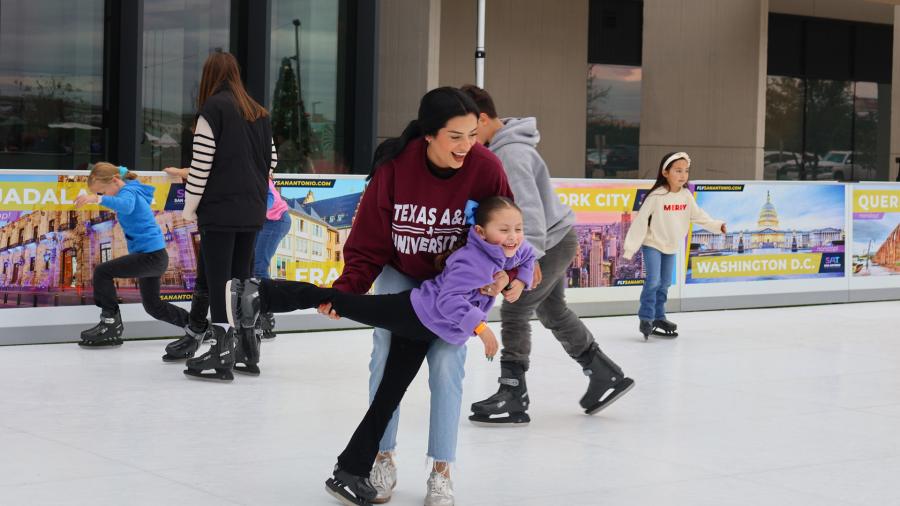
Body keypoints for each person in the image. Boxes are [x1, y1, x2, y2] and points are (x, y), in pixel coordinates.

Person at [227, 197, 534, 506]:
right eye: (505, 229)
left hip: (426, 332)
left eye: (518, 229)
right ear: (481, 233)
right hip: (412, 313)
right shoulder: (473, 261)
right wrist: (481, 329)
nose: (513, 236)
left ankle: (350, 469)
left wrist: (517, 278)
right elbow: (448, 302)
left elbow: (529, 254)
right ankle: (259, 294)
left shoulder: (508, 251)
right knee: (340, 301)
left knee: (388, 398)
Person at [317, 87, 515, 505]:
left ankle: (442, 469)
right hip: (401, 272)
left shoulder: (487, 169)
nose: (466, 146)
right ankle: (382, 457)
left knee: (446, 363)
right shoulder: (395, 168)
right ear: (429, 134)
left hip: (456, 285)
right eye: (455, 136)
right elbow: (369, 243)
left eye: (472, 135)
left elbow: (506, 230)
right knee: (385, 352)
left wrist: (508, 276)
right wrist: (347, 292)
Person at [460, 85, 635, 424]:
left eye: (469, 129)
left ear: (481, 119)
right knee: (553, 310)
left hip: (547, 243)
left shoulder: (510, 154)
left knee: (516, 307)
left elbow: (530, 214)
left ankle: (513, 392)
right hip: (556, 239)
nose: (466, 140)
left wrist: (525, 262)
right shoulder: (505, 148)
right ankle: (604, 373)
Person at [175, 51, 277, 381]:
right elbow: (272, 162)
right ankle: (249, 348)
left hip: (220, 208)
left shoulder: (212, 110)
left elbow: (201, 167)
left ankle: (220, 352)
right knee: (243, 279)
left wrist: (189, 208)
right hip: (252, 208)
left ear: (209, 77)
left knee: (220, 281)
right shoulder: (259, 112)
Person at [74, 163, 193, 348]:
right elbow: (121, 173)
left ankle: (110, 324)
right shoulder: (130, 185)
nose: (105, 195)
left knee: (102, 272)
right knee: (153, 307)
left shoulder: (129, 193)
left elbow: (126, 206)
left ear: (114, 181)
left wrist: (95, 199)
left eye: (104, 191)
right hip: (151, 256)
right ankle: (199, 327)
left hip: (151, 256)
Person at [623, 151, 727, 339]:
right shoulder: (656, 196)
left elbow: (699, 216)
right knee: (653, 281)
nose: (683, 175)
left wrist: (717, 225)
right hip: (653, 243)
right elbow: (639, 222)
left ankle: (659, 316)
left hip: (671, 245)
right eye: (678, 171)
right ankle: (646, 317)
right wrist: (630, 249)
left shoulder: (686, 196)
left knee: (665, 283)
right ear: (665, 172)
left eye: (686, 171)